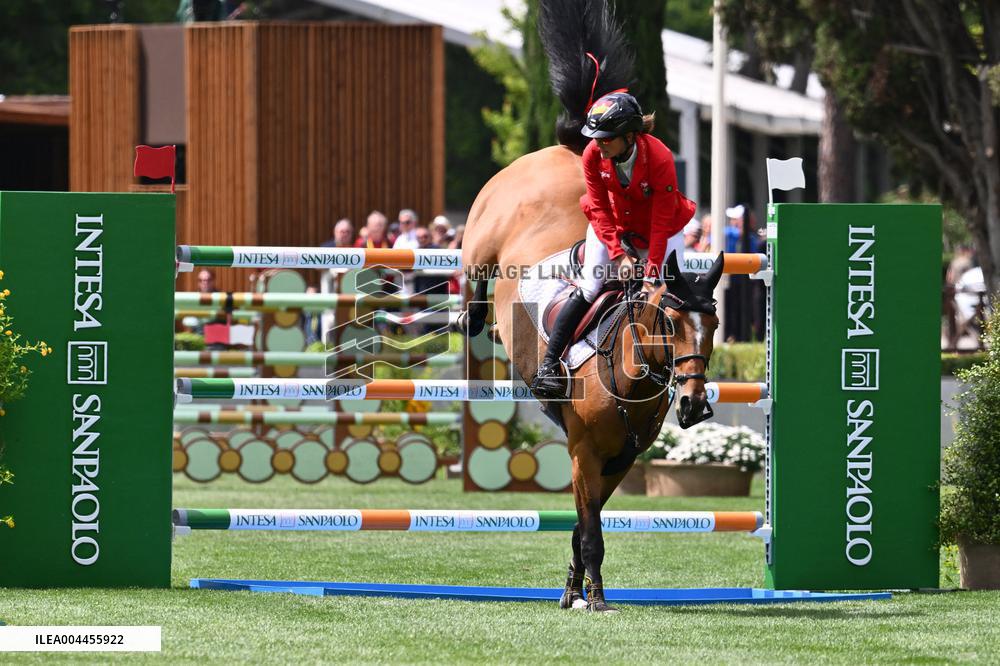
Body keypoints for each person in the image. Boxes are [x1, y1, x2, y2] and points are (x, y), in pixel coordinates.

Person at [531, 91, 696, 398]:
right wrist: (618, 253)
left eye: (607, 138)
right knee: (590, 285)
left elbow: (661, 221)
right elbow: (597, 206)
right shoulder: (594, 153)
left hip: (661, 227)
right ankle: (550, 364)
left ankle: (690, 380)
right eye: (598, 138)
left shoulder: (659, 158)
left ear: (630, 136)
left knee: (673, 291)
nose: (599, 143)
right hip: (613, 224)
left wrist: (650, 275)